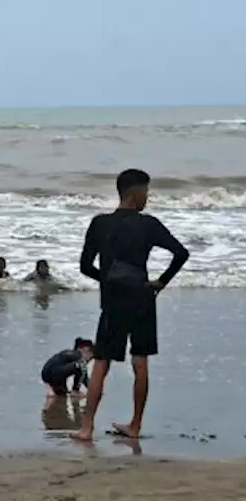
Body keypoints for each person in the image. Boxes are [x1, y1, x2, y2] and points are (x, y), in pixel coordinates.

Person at [72, 168, 190, 442]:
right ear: (134, 192)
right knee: (140, 362)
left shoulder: (100, 223)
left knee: (102, 362)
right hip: (142, 298)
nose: (147, 196)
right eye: (146, 191)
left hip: (113, 301)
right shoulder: (148, 224)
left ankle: (86, 428)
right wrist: (161, 282)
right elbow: (181, 253)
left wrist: (108, 280)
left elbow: (84, 266)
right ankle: (135, 426)